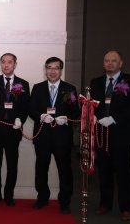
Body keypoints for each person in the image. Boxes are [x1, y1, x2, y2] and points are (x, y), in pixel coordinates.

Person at [90, 50, 130, 221]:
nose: (110, 63)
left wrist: (113, 118)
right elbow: (93, 106)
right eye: (107, 60)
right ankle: (105, 203)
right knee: (104, 171)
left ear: (120, 63)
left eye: (114, 60)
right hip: (102, 134)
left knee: (124, 172)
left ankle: (127, 206)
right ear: (103, 63)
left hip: (123, 134)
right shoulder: (96, 82)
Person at [28, 57, 80, 214]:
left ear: (61, 71)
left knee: (64, 169)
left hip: (62, 137)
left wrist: (67, 120)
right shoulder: (37, 88)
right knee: (41, 167)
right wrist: (41, 116)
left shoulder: (69, 89)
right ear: (45, 70)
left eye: (56, 68)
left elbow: (75, 112)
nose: (52, 71)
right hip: (42, 136)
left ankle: (65, 201)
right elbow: (31, 109)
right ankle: (42, 197)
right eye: (49, 68)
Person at [0, 53, 30, 207]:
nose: (6, 65)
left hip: (13, 130)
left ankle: (9, 195)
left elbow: (25, 107)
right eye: (3, 62)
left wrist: (20, 120)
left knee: (12, 164)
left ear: (15, 64)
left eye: (9, 62)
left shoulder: (23, 84)